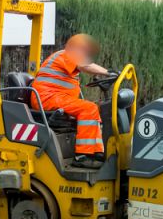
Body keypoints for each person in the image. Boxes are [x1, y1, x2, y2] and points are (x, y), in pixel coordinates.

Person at [31, 33, 112, 168]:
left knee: (92, 109)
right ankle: (82, 156)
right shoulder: (66, 55)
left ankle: (94, 151)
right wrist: (108, 72)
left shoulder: (68, 60)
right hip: (47, 98)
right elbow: (85, 66)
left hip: (55, 97)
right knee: (88, 108)